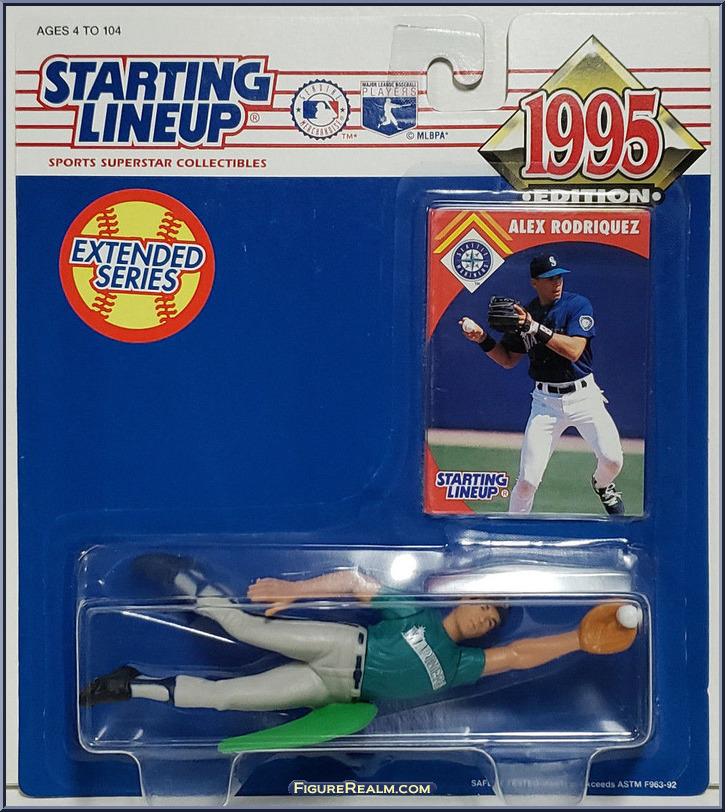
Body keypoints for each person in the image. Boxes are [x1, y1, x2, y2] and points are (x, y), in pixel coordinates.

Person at [80, 554, 635, 712]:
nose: (484, 619)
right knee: (242, 625)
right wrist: (296, 590)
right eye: (484, 607)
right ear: (466, 597)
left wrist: (576, 640)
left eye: (491, 621)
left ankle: (131, 685)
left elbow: (515, 656)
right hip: (344, 646)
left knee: (226, 698)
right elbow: (352, 582)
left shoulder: (462, 665)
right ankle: (184, 577)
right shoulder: (417, 613)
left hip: (338, 692)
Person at [460, 253, 625, 515]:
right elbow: (507, 359)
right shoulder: (526, 314)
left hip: (585, 398)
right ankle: (513, 532)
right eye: (549, 278)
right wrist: (482, 339)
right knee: (527, 482)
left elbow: (574, 351)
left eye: (559, 276)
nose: (556, 282)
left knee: (613, 460)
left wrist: (534, 327)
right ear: (534, 282)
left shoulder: (577, 305)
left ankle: (602, 484)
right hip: (546, 403)